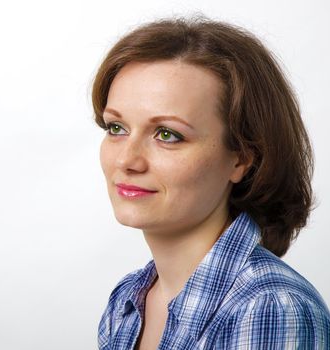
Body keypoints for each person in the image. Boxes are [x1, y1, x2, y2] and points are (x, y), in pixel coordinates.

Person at [92, 14, 330, 349]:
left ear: (242, 158)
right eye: (116, 128)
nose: (126, 161)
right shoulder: (127, 303)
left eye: (167, 134)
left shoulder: (269, 309)